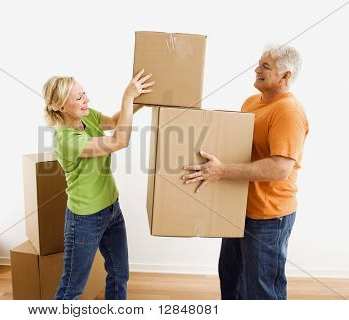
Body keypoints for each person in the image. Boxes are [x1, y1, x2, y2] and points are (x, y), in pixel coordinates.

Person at [182, 44, 309, 299]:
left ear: (286, 76)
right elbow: (239, 147)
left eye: (266, 66)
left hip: (268, 216)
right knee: (231, 280)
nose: (256, 69)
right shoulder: (251, 102)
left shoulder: (288, 112)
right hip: (239, 209)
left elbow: (280, 168)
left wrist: (222, 171)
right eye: (258, 63)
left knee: (262, 290)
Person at [42, 69, 154, 300]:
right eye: (79, 97)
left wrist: (140, 102)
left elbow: (114, 122)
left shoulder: (87, 116)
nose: (87, 100)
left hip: (112, 209)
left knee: (119, 274)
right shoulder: (66, 140)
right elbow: (119, 140)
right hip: (85, 219)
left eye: (85, 93)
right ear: (61, 106)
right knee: (71, 288)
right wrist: (127, 97)